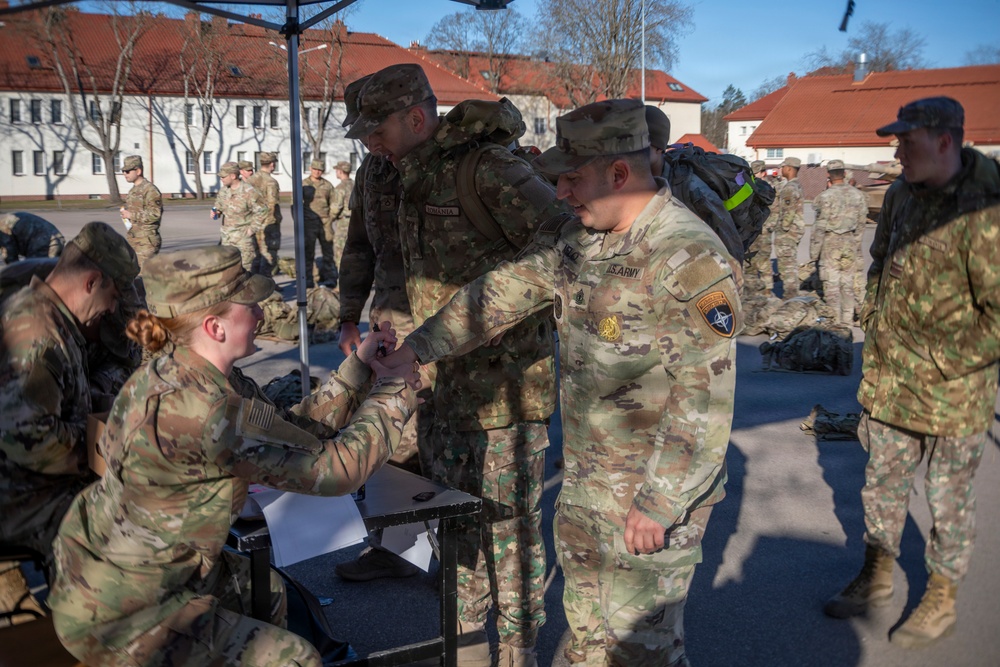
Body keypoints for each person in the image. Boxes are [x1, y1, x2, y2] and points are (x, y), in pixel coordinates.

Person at [385, 99, 742, 667]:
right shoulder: (582, 241)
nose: (560, 193)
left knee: (639, 653)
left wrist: (659, 502)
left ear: (618, 174)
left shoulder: (685, 256)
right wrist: (416, 350)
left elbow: (703, 398)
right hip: (586, 489)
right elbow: (497, 295)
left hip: (647, 502)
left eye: (572, 178)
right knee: (590, 643)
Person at [46, 245, 420, 667]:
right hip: (125, 610)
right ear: (215, 327)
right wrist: (395, 393)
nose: (262, 314)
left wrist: (358, 369)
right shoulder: (209, 411)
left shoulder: (178, 371)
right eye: (250, 306)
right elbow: (339, 471)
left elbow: (291, 431)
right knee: (295, 657)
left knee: (271, 593)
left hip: (113, 572)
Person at [346, 63, 568, 666]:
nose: (370, 144)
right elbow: (388, 259)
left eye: (377, 130)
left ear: (417, 118)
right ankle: (466, 653)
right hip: (441, 395)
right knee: (456, 535)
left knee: (510, 537)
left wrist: (456, 327)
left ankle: (517, 654)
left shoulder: (489, 169)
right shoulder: (403, 175)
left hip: (505, 398)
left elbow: (565, 247)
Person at [823, 97, 1000, 648]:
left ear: (945, 141)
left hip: (953, 392)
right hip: (891, 381)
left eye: (907, 141)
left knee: (948, 498)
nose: (895, 151)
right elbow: (878, 264)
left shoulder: (985, 207)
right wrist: (874, 324)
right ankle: (876, 575)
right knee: (881, 487)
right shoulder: (900, 193)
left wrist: (947, 361)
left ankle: (942, 596)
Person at [335, 74, 431, 581]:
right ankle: (396, 547)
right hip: (391, 320)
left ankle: (461, 556)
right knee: (394, 436)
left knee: (453, 440)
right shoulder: (373, 172)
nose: (372, 143)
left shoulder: (444, 165)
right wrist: (348, 314)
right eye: (364, 132)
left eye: (376, 130)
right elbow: (358, 245)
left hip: (449, 324)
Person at [0, 222, 139, 567]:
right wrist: (99, 445)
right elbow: (30, 440)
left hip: (33, 483)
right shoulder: (39, 335)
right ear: (90, 282)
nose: (111, 309)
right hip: (21, 499)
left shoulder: (55, 319)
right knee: (136, 530)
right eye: (113, 297)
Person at [645, 105, 743, 261]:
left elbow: (731, 247)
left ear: (658, 147)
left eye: (638, 144)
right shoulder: (628, 186)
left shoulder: (692, 189)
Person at [809, 159, 868, 324]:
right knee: (848, 284)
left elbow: (819, 227)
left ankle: (835, 322)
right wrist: (855, 243)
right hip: (849, 241)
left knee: (832, 285)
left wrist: (814, 253)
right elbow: (862, 223)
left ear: (828, 175)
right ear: (843, 174)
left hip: (831, 242)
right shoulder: (858, 195)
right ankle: (848, 322)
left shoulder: (825, 197)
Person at [214, 161, 266, 272]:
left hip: (243, 240)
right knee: (227, 271)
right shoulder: (223, 191)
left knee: (244, 271)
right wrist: (216, 212)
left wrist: (252, 229)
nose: (221, 179)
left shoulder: (249, 191)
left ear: (233, 176)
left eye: (223, 176)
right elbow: (218, 205)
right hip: (226, 238)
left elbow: (262, 210)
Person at [120, 155, 163, 270]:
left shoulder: (150, 190)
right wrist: (127, 215)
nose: (125, 174)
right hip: (134, 239)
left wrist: (131, 215)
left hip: (146, 241)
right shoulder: (133, 191)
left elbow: (155, 214)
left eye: (128, 171)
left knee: (144, 278)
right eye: (123, 171)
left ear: (138, 171)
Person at [772, 156, 805, 298]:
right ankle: (793, 294)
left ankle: (790, 296)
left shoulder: (789, 188)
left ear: (790, 169)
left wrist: (782, 229)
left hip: (788, 233)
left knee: (787, 267)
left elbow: (788, 212)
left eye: (784, 167)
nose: (782, 169)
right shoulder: (797, 185)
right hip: (795, 230)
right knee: (790, 264)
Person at [302, 159, 337, 287]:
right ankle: (307, 280)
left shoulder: (327, 185)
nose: (317, 172)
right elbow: (294, 204)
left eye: (320, 170)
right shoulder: (304, 184)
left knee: (328, 252)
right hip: (308, 224)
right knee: (308, 253)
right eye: (315, 169)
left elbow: (334, 202)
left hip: (325, 223)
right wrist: (299, 221)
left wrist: (331, 217)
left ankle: (330, 278)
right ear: (310, 168)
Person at [744, 160, 776, 297]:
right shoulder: (770, 188)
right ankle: (760, 293)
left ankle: (760, 294)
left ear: (763, 172)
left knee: (756, 263)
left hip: (755, 231)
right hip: (759, 231)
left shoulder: (749, 186)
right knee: (758, 263)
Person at [248, 152, 283, 276]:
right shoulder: (271, 182)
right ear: (272, 164)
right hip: (268, 223)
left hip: (253, 222)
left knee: (256, 254)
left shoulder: (250, 180)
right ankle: (266, 284)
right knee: (269, 254)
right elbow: (272, 204)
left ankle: (255, 282)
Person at [0, 211, 65, 264]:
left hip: (44, 242)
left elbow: (10, 257)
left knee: (34, 273)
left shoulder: (2, 230)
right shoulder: (8, 220)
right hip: (57, 237)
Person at [331, 160, 354, 273]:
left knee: (340, 253)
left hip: (344, 223)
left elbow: (336, 207)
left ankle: (341, 284)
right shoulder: (355, 184)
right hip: (357, 221)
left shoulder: (340, 187)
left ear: (340, 171)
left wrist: (329, 219)